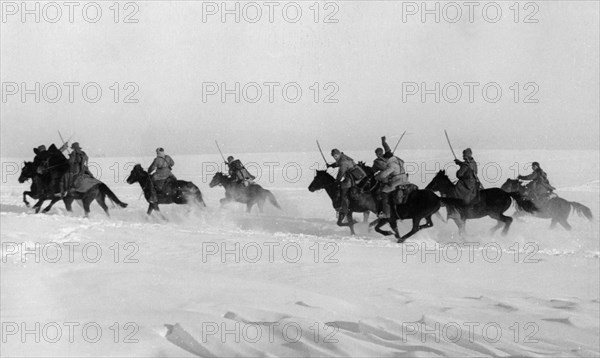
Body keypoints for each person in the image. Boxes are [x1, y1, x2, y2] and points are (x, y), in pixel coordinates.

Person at [327, 149, 366, 215]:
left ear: (339, 154)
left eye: (336, 156)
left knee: (343, 187)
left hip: (354, 176)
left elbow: (341, 171)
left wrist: (337, 180)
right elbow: (338, 163)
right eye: (334, 156)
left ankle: (345, 206)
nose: (335, 157)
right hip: (354, 174)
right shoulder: (342, 157)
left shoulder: (343, 161)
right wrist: (331, 165)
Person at [375, 151, 410, 218]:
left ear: (387, 158)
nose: (385, 160)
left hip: (397, 181)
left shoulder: (391, 164)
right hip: (405, 179)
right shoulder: (399, 161)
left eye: (385, 159)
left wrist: (377, 177)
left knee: (384, 192)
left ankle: (386, 213)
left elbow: (383, 175)